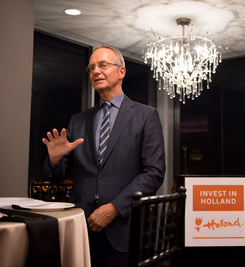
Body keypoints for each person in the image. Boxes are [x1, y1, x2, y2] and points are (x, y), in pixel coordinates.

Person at [42, 44, 166, 267]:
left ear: (121, 71)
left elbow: (154, 173)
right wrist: (55, 159)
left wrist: (114, 208)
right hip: (81, 227)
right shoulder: (77, 121)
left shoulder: (146, 116)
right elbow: (57, 175)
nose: (95, 71)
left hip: (124, 229)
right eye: (91, 68)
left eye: (103, 65)